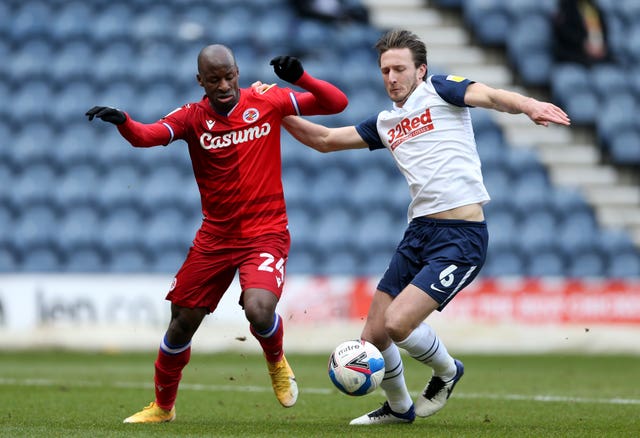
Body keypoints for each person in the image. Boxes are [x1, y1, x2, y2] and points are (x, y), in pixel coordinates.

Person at [281, 29, 570, 425]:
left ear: (421, 70)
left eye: (399, 68)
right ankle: (400, 409)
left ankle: (448, 371)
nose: (391, 77)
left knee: (398, 323)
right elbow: (327, 139)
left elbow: (487, 95)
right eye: (385, 70)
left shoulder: (439, 90)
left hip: (461, 237)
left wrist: (528, 104)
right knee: (374, 336)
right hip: (419, 232)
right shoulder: (385, 122)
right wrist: (277, 110)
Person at [85, 44, 348, 423]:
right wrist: (124, 119)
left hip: (265, 233)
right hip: (215, 238)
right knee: (180, 325)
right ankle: (163, 407)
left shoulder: (267, 100)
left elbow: (336, 103)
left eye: (229, 76)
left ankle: (276, 362)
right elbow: (147, 136)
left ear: (238, 72)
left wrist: (301, 78)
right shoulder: (192, 117)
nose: (224, 85)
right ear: (200, 82)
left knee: (258, 310)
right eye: (214, 79)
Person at [552, 0, 611, 66]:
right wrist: (584, 45)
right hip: (575, 55)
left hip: (598, 53)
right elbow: (565, 33)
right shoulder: (566, 5)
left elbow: (603, 28)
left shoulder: (592, 5)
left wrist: (602, 46)